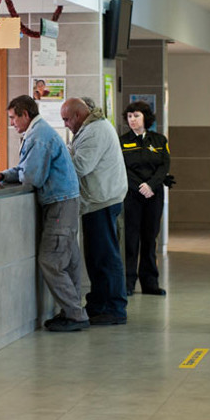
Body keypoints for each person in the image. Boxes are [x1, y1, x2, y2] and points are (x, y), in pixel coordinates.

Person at [0, 95, 87, 332]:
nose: (11, 123)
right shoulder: (37, 133)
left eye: (12, 118)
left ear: (25, 115)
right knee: (68, 259)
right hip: (63, 201)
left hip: (59, 204)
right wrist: (3, 175)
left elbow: (32, 177)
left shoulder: (39, 137)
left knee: (51, 260)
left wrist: (15, 175)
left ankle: (74, 315)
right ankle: (73, 311)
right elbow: (25, 169)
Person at [61, 98, 129, 325]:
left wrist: (60, 154)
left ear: (79, 115)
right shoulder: (90, 128)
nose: (65, 125)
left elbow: (81, 166)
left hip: (103, 201)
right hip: (99, 201)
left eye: (67, 119)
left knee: (105, 257)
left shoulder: (95, 131)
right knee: (97, 257)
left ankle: (114, 308)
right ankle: (99, 304)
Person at [119, 100, 169, 296]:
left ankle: (150, 283)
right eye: (130, 116)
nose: (132, 120)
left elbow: (164, 166)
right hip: (132, 195)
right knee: (131, 240)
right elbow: (122, 167)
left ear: (145, 118)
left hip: (154, 195)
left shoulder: (159, 140)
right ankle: (128, 283)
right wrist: (140, 186)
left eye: (136, 116)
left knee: (150, 239)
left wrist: (151, 185)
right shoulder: (122, 141)